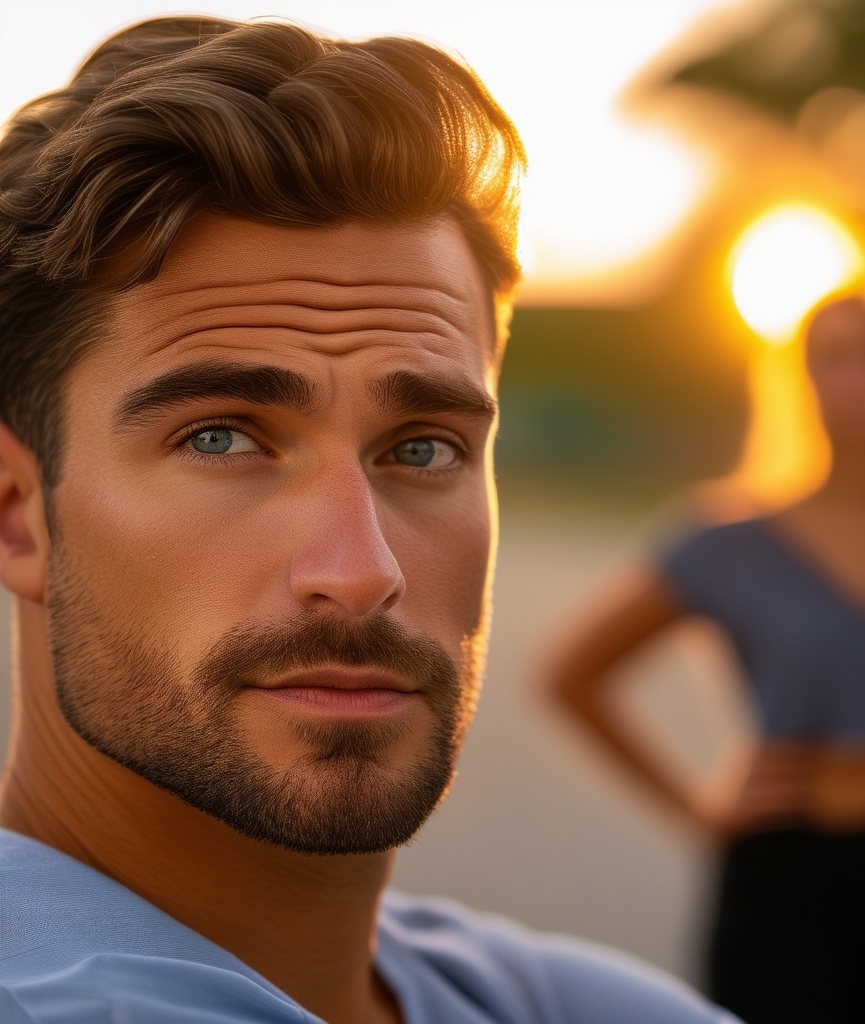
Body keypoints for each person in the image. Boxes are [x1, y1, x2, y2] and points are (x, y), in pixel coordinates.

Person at [0, 16, 741, 1024]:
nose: (361, 570)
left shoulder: (551, 996)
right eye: (221, 438)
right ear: (17, 516)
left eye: (422, 447)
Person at [545, 292, 865, 1024]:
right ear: (796, 382)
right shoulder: (729, 540)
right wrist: (697, 808)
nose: (857, 379)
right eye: (833, 358)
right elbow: (572, 675)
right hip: (780, 871)